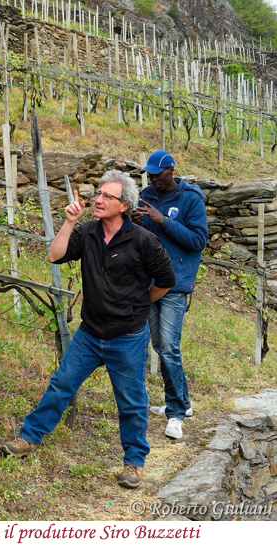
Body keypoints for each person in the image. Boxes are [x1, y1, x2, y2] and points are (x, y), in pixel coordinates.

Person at [0, 170, 175, 490]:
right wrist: (68, 222)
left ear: (124, 205)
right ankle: (29, 438)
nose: (98, 199)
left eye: (107, 196)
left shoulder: (144, 241)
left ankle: (134, 462)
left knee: (132, 401)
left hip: (128, 337)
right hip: (90, 333)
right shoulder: (88, 232)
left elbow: (165, 281)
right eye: (99, 193)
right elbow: (55, 255)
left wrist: (138, 305)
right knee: (61, 384)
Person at [134, 150, 208, 440]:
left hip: (175, 284)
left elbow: (198, 241)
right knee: (159, 345)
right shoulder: (147, 194)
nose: (153, 178)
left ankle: (176, 413)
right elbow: (145, 236)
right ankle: (180, 402)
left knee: (169, 347)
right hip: (149, 281)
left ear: (171, 170)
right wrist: (137, 222)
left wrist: (163, 220)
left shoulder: (190, 199)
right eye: (150, 174)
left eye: (158, 174)